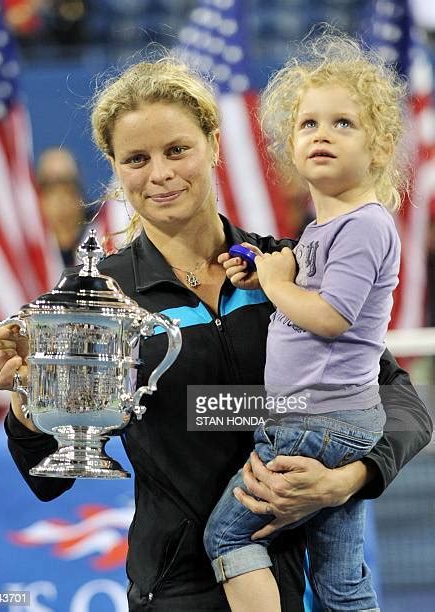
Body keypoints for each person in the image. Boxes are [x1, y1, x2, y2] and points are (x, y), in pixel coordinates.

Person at [0, 56, 432, 612]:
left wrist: (350, 478)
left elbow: (398, 397)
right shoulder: (97, 298)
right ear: (116, 168)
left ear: (214, 144)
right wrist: (29, 396)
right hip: (178, 591)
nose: (160, 173)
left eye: (177, 150)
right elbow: (49, 477)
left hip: (307, 584)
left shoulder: (282, 269)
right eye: (136, 159)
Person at [203, 32, 406, 612]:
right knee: (340, 581)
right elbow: (306, 297)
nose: (322, 134)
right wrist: (268, 279)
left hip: (312, 423)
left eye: (344, 123)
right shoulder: (326, 229)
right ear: (289, 145)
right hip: (335, 422)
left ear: (381, 144)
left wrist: (276, 283)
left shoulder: (363, 225)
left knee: (227, 534)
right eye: (308, 123)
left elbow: (331, 318)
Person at [36, 147, 85, 266]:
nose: (60, 200)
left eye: (67, 187)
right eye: (50, 190)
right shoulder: (29, 252)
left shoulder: (101, 235)